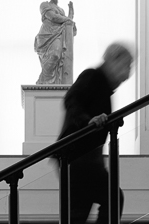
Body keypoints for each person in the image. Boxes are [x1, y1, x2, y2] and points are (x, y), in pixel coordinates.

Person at [57, 42, 134, 224]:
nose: (128, 73)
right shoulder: (92, 76)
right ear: (112, 61)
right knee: (88, 208)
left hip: (86, 159)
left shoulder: (104, 88)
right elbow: (71, 100)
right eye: (126, 65)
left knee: (104, 201)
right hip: (77, 157)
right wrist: (88, 121)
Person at [34, 0, 77, 84]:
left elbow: (67, 22)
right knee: (53, 56)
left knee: (56, 55)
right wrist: (68, 18)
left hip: (57, 35)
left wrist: (70, 15)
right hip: (46, 36)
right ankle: (44, 83)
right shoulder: (44, 5)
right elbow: (53, 17)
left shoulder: (62, 11)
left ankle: (53, 84)